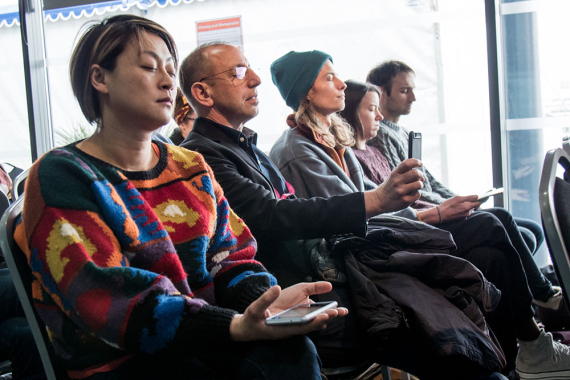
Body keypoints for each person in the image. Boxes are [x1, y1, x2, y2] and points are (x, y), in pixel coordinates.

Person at [14, 15, 348, 380]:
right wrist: (232, 327)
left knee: (291, 350)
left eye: (171, 70)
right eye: (149, 66)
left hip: (207, 334)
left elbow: (232, 256)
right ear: (100, 78)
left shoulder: (189, 165)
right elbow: (107, 298)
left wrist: (263, 305)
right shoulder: (63, 175)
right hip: (123, 358)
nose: (167, 80)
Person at [179, 44, 508, 380]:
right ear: (202, 92)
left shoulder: (248, 146)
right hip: (303, 283)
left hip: (332, 267)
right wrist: (380, 201)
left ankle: (515, 354)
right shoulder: (202, 155)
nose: (255, 79)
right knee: (446, 300)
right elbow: (271, 216)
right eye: (237, 72)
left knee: (470, 270)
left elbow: (291, 206)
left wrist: (388, 203)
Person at [267, 51, 570, 380]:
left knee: (490, 254)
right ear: (306, 93)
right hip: (365, 255)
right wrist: (437, 214)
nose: (341, 84)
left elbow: (379, 198)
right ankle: (534, 343)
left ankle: (513, 362)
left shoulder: (333, 140)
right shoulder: (296, 152)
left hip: (381, 240)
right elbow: (351, 216)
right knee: (490, 224)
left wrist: (428, 205)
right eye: (328, 78)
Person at [365, 60, 561, 310]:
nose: (413, 97)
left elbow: (430, 182)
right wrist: (450, 206)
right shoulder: (381, 136)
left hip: (439, 208)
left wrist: (462, 199)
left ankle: (530, 296)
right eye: (405, 91)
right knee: (509, 227)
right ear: (381, 92)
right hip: (427, 218)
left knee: (530, 230)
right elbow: (412, 191)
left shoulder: (402, 132)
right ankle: (541, 295)